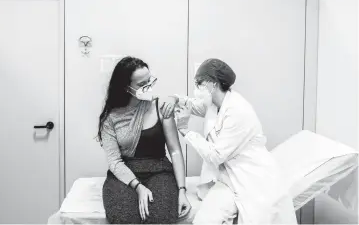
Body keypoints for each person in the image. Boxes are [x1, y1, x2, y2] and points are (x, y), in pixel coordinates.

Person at [161, 58, 297, 224]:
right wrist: (174, 98)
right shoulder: (213, 103)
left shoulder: (238, 110)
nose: (196, 88)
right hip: (228, 179)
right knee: (204, 221)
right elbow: (192, 104)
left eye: (199, 83)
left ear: (213, 84)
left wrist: (185, 130)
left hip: (253, 179)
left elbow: (216, 155)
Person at [97, 56, 191, 224]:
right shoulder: (110, 117)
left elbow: (175, 150)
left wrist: (182, 190)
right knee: (124, 218)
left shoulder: (161, 107)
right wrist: (138, 187)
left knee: (160, 217)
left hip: (160, 171)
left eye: (149, 81)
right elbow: (114, 161)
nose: (148, 87)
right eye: (141, 85)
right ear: (125, 87)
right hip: (124, 175)